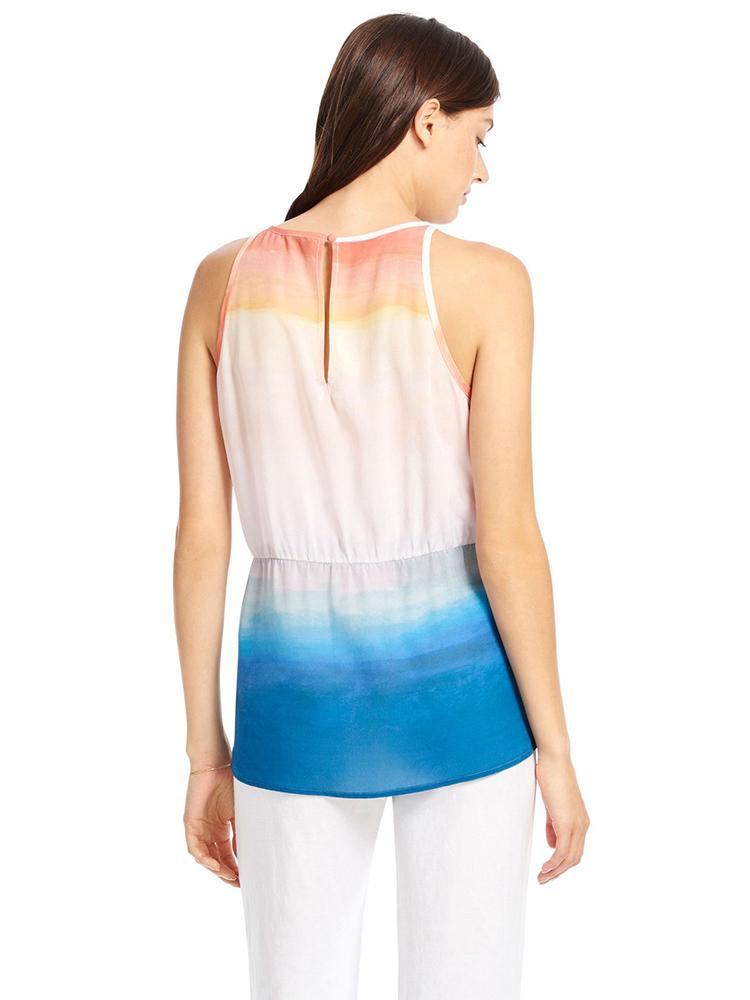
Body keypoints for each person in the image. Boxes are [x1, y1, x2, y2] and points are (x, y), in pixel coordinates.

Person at [173, 12, 590, 1000]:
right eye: (480, 137)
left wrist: (204, 752)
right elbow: (510, 540)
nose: (480, 170)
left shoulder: (220, 281)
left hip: (289, 695)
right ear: (426, 121)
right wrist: (558, 748)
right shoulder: (487, 282)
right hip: (465, 695)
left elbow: (201, 536)